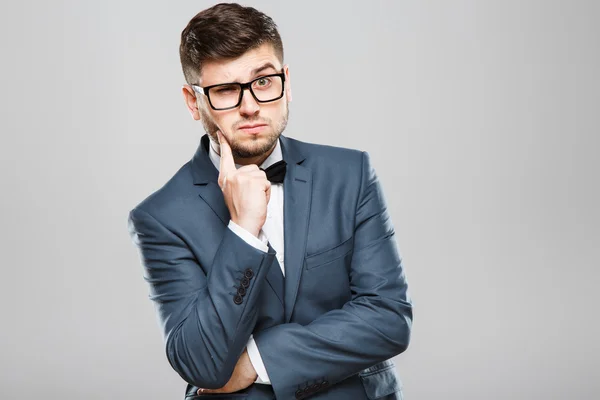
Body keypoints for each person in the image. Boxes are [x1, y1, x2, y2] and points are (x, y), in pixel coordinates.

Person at [127, 3, 413, 399]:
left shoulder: (350, 174)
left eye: (263, 82)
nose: (250, 106)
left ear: (287, 82)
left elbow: (388, 319)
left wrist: (257, 361)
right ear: (194, 103)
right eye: (226, 89)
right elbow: (201, 363)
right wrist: (243, 231)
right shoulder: (160, 217)